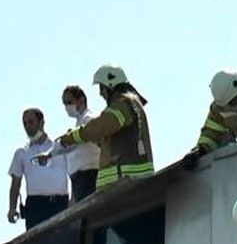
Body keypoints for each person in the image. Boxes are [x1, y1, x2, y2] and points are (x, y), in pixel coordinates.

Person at [37, 64, 153, 192]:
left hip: (124, 182)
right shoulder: (130, 102)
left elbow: (101, 127)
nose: (100, 93)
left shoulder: (123, 103)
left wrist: (72, 137)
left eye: (102, 88)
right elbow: (106, 137)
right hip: (127, 183)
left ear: (110, 84)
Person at [7, 108, 69, 230]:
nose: (27, 126)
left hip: (60, 203)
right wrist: (12, 208)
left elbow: (72, 172)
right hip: (36, 206)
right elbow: (15, 182)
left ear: (41, 122)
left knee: (62, 243)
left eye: (31, 122)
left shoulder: (58, 147)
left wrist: (74, 200)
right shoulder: (22, 153)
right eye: (24, 123)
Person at [61, 85, 100, 201]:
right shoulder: (79, 122)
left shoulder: (89, 118)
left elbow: (89, 134)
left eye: (69, 102)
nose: (67, 107)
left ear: (81, 100)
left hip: (88, 177)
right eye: (64, 104)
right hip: (78, 180)